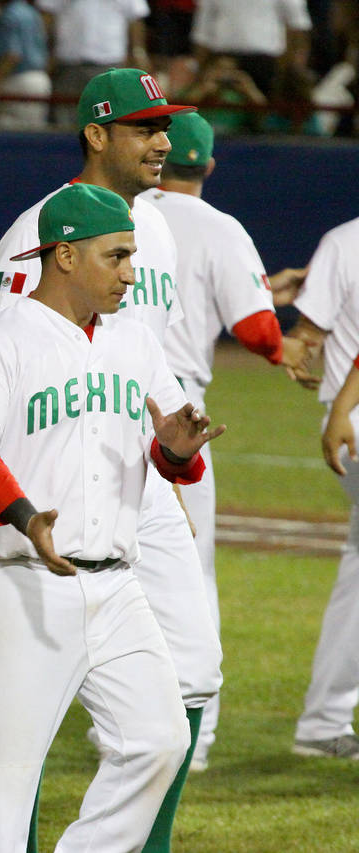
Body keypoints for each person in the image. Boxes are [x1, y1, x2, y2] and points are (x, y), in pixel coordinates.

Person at [0, 182, 218, 852]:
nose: (129, 271)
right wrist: (26, 517)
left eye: (131, 255)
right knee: (4, 790)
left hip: (117, 585)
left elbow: (170, 451)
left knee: (159, 738)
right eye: (115, 256)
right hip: (22, 588)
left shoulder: (136, 342)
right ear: (64, 255)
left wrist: (175, 450)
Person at [143, 110, 311, 771]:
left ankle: (118, 721)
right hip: (179, 412)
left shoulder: (125, 211)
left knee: (109, 563)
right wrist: (279, 334)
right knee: (189, 569)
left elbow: (181, 296)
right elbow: (253, 327)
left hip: (118, 399)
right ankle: (197, 731)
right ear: (209, 166)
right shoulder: (219, 228)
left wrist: (264, 289)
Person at [283, 214, 359, 761]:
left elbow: (307, 332)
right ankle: (325, 719)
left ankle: (326, 719)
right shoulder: (344, 240)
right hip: (352, 416)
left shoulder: (341, 240)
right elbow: (308, 333)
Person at [37, 0, 150, 126]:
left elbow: (135, 18)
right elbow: (47, 15)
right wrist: (44, 52)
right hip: (69, 63)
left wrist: (138, 52)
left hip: (109, 62)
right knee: (66, 118)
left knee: (105, 117)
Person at [0, 0, 51, 130]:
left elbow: (11, 56)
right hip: (39, 79)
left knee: (10, 136)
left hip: (17, 82)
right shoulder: (31, 12)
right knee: (35, 135)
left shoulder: (9, 14)